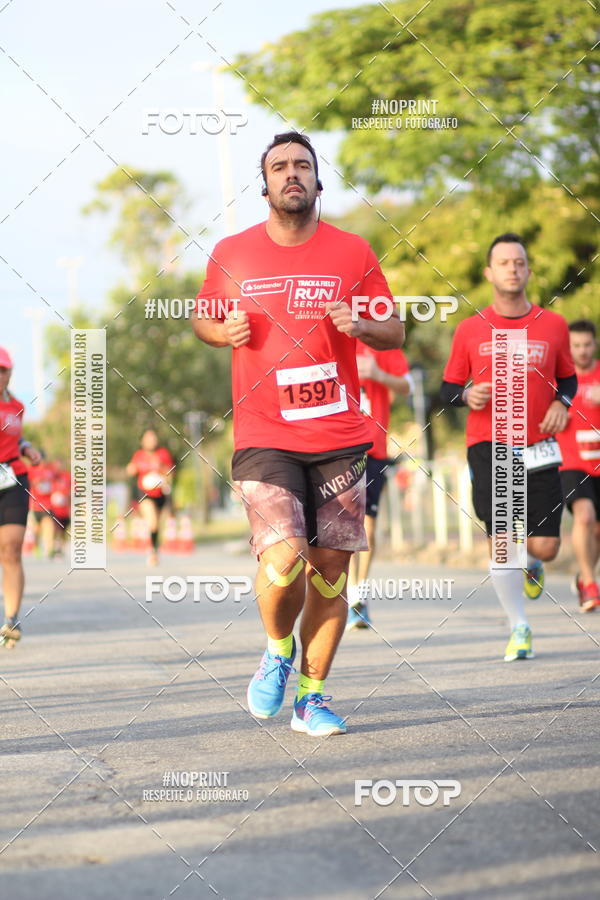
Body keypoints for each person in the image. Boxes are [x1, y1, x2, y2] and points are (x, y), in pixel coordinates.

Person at [193, 131, 404, 736]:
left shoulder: (354, 252)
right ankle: (277, 647)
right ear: (265, 184)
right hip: (264, 432)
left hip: (338, 432)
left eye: (302, 166)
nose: (292, 174)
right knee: (285, 559)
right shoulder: (232, 253)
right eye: (280, 166)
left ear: (318, 180)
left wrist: (363, 323)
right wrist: (222, 330)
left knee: (331, 568)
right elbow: (202, 318)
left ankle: (312, 697)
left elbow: (395, 336)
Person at [441, 233, 576, 661]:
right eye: (503, 262)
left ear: (528, 270)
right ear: (489, 273)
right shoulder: (469, 329)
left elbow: (569, 379)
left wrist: (562, 401)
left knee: (544, 547)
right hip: (490, 444)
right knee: (501, 540)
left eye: (519, 262)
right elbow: (445, 390)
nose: (512, 269)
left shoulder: (553, 325)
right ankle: (519, 626)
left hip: (539, 445)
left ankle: (532, 565)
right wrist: (466, 397)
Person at [346, 342, 412, 629]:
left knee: (367, 524)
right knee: (343, 526)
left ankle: (359, 595)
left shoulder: (380, 340)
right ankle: (347, 594)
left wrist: (377, 374)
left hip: (373, 448)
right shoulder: (328, 335)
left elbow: (406, 385)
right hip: (337, 447)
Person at [556, 320, 600, 611]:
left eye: (586, 345)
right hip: (571, 463)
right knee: (584, 517)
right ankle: (590, 585)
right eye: (576, 346)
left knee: (596, 530)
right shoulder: (558, 380)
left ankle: (584, 577)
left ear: (594, 344)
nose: (582, 351)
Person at [0, 348, 42, 648]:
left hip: (12, 478)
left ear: (10, 373)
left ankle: (11, 619)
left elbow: (15, 436)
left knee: (11, 549)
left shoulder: (16, 406)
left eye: (2, 370)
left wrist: (27, 447)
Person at [126, 430, 174, 566]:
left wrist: (163, 474)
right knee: (152, 520)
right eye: (148, 438)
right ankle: (152, 552)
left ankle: (154, 548)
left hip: (160, 493)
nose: (151, 441)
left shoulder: (163, 454)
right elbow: (130, 470)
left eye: (153, 438)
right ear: (142, 441)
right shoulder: (138, 455)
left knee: (157, 525)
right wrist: (131, 468)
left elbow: (170, 473)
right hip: (144, 493)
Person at [27, 452, 56, 558]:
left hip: (47, 505)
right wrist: (35, 482)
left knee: (49, 526)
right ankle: (36, 546)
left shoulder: (50, 470)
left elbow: (57, 480)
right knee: (37, 530)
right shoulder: (31, 470)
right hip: (35, 506)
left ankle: (49, 549)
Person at [49, 459, 71, 558]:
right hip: (53, 510)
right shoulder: (51, 477)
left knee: (63, 530)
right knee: (54, 529)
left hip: (65, 510)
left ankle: (61, 549)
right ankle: (53, 548)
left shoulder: (67, 477)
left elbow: (74, 491)